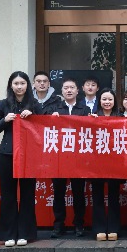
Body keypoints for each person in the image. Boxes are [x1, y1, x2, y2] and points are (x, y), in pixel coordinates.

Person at [0, 71, 36, 247]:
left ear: (27, 85)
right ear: (11, 85)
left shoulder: (34, 104)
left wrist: (32, 116)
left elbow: (45, 126)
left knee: (27, 194)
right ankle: (8, 234)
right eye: (16, 83)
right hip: (7, 154)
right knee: (8, 195)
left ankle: (25, 233)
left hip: (28, 155)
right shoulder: (3, 104)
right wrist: (5, 120)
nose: (19, 87)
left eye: (22, 83)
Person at [50, 78, 90, 238]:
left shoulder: (84, 109)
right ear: (62, 91)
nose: (69, 90)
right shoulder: (55, 109)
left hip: (78, 159)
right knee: (58, 193)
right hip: (59, 158)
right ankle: (58, 225)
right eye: (66, 88)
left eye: (72, 87)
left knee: (78, 193)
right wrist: (51, 119)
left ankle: (79, 224)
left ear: (77, 90)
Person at [90, 88, 122, 241]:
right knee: (97, 196)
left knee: (114, 196)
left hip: (115, 163)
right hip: (97, 163)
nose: (107, 102)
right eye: (104, 99)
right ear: (99, 101)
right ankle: (99, 228)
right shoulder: (93, 117)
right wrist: (91, 122)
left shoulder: (121, 117)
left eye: (110, 99)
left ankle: (114, 228)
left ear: (114, 101)